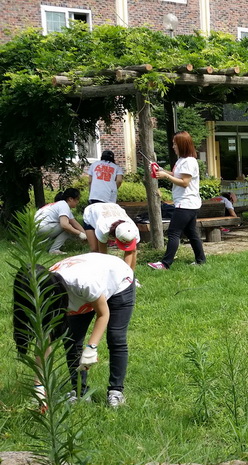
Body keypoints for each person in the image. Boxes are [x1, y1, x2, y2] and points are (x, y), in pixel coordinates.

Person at [13, 254, 136, 407]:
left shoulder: (81, 283)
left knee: (115, 336)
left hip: (118, 281)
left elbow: (103, 314)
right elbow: (45, 339)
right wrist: (39, 386)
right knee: (72, 340)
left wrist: (92, 347)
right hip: (88, 291)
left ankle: (115, 392)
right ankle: (80, 393)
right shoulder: (41, 294)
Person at [147, 131, 206, 270]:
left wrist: (166, 177)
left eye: (175, 143)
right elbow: (176, 175)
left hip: (186, 203)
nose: (173, 146)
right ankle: (201, 260)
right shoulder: (181, 160)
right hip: (187, 203)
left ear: (182, 144)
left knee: (173, 232)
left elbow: (185, 182)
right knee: (192, 233)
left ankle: (165, 264)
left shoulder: (189, 161)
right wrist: (162, 171)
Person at [83, 202, 140, 269]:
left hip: (113, 208)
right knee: (95, 249)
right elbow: (103, 254)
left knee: (133, 250)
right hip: (91, 212)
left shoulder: (134, 230)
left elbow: (132, 251)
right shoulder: (103, 229)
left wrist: (128, 273)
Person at [34, 188, 87, 255]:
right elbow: (64, 225)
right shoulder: (64, 205)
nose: (78, 202)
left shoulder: (60, 205)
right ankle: (54, 250)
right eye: (77, 199)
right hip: (42, 227)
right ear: (70, 199)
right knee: (67, 228)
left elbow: (75, 223)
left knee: (69, 226)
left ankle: (45, 248)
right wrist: (79, 233)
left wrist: (85, 235)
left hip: (37, 227)